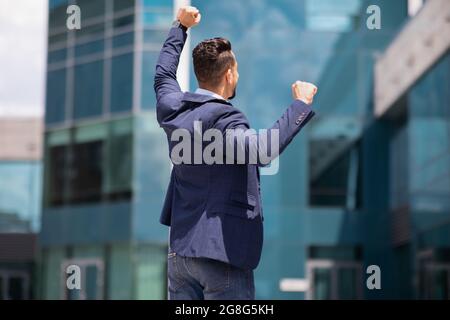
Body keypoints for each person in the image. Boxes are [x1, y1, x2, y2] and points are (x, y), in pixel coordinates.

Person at [154, 6, 318, 300]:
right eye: (237, 70)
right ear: (229, 74)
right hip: (220, 254)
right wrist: (300, 105)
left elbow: (163, 73)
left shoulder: (173, 109)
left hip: (180, 255)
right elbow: (263, 150)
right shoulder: (225, 119)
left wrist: (180, 27)